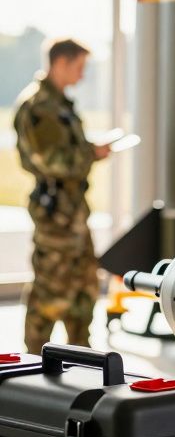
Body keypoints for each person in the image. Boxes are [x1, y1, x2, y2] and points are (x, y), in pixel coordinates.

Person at [13, 38, 110, 353]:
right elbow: (53, 161)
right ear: (61, 63)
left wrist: (87, 152)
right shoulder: (40, 106)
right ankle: (32, 361)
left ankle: (81, 354)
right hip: (56, 215)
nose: (82, 76)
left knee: (84, 288)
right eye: (79, 67)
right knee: (51, 291)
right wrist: (91, 153)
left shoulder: (60, 105)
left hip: (74, 212)